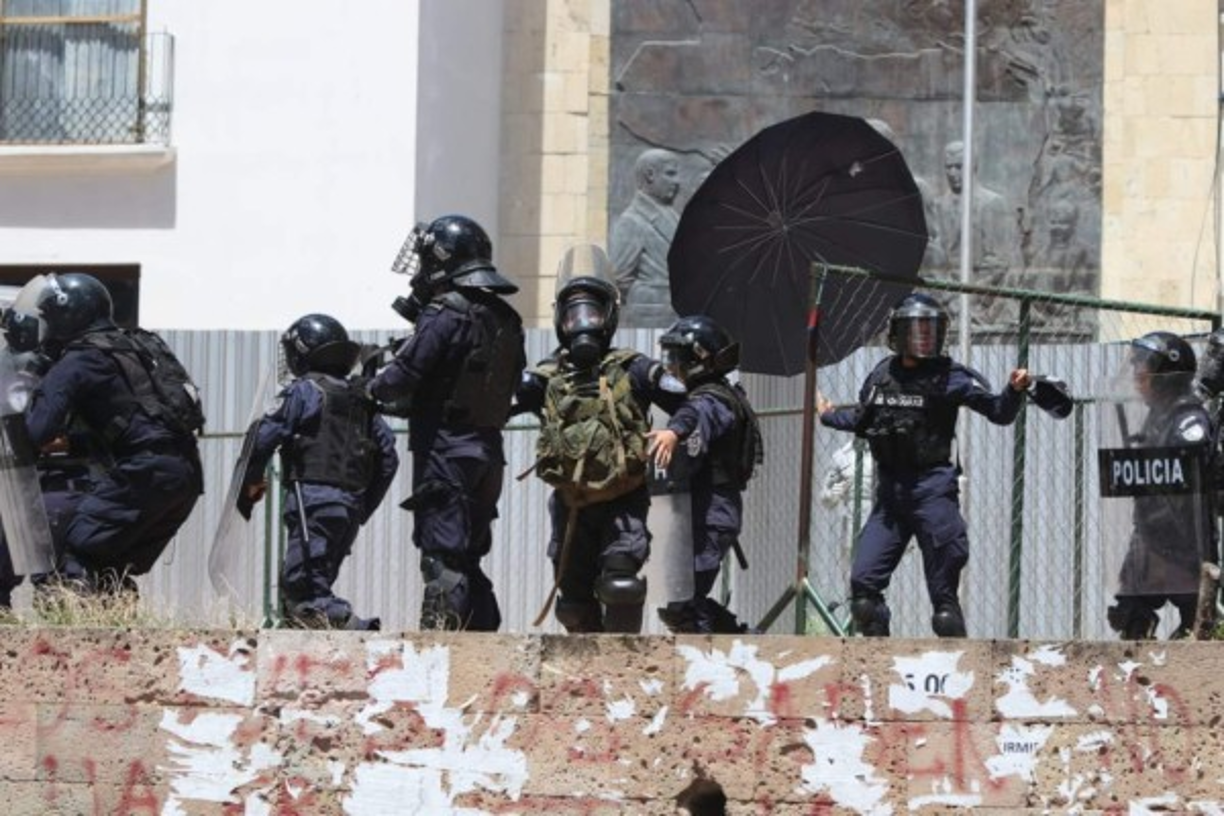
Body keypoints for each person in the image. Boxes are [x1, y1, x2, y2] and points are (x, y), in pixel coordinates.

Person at [816, 293, 1031, 637]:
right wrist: (828, 416)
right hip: (890, 493)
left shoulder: (951, 376)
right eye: (917, 329)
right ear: (898, 333)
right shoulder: (882, 373)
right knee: (863, 597)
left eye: (931, 329)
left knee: (945, 611)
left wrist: (1014, 390)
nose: (925, 336)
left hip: (933, 489)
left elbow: (999, 412)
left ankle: (957, 679)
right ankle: (879, 665)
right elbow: (863, 418)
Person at [368, 214, 526, 631]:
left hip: (446, 451)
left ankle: (441, 647)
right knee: (468, 555)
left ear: (443, 261)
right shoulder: (507, 320)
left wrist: (369, 389)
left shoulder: (446, 312)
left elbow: (403, 376)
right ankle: (484, 642)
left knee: (442, 555)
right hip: (488, 454)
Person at [515, 267, 684, 633]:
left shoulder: (636, 369)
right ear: (561, 318)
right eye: (574, 313)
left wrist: (675, 432)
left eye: (592, 312)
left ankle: (624, 668)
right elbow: (493, 403)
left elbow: (689, 400)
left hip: (624, 497)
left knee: (620, 582)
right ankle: (585, 681)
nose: (583, 322)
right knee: (573, 604)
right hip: (571, 502)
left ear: (609, 316)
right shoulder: (546, 376)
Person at [16, 272, 204, 593]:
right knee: (109, 566)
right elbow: (141, 418)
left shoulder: (79, 358)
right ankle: (117, 629)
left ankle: (73, 634)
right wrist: (74, 442)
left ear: (66, 317)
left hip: (143, 473)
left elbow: (35, 432)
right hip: (184, 476)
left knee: (68, 553)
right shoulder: (136, 345)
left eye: (48, 318)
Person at [240, 314, 398, 630]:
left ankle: (355, 629)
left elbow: (263, 439)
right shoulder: (359, 400)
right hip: (347, 508)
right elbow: (389, 458)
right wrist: (362, 505)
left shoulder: (306, 390)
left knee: (304, 592)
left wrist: (250, 484)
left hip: (310, 501)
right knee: (309, 589)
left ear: (303, 352)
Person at [646, 315, 762, 634]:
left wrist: (674, 433)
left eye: (677, 358)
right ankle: (744, 644)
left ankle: (725, 656)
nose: (671, 367)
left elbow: (695, 419)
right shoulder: (712, 394)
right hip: (700, 510)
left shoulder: (712, 399)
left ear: (699, 359)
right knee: (680, 602)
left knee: (683, 604)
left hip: (712, 512)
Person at [1107, 331, 1216, 640]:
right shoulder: (1155, 416)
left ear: (1166, 376)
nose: (1137, 374)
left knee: (1197, 628)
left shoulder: (1188, 415)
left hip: (1187, 541)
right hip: (1150, 536)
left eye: (1145, 366)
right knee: (1129, 616)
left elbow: (1188, 451)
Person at [610, 147, 682, 329]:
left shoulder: (672, 215)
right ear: (650, 175)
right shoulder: (632, 221)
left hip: (680, 317)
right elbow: (618, 279)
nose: (678, 182)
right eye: (670, 174)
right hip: (651, 321)